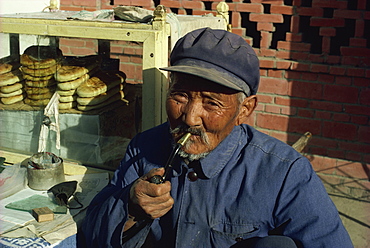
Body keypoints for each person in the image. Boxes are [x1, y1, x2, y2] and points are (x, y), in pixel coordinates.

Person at [80, 28, 353, 248]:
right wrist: (130, 207)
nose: (189, 117)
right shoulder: (145, 148)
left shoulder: (284, 172)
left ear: (244, 110)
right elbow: (90, 234)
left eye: (211, 103)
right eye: (181, 95)